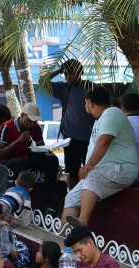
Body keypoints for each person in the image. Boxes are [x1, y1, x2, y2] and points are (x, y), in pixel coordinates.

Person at [61, 87, 139, 229]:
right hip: (105, 172)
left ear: (90, 103)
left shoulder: (112, 113)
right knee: (71, 198)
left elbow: (104, 141)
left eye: (85, 103)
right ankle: (63, 239)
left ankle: (82, 223)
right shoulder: (102, 118)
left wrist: (88, 165)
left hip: (123, 170)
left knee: (92, 175)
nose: (85, 106)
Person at [45, 59, 96, 187]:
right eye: (66, 74)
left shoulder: (91, 87)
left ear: (80, 72)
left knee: (91, 172)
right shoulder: (64, 88)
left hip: (90, 139)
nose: (68, 77)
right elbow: (43, 82)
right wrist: (59, 70)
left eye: (71, 74)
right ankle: (74, 198)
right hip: (70, 139)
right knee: (71, 174)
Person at [0, 102, 60, 187]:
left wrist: (49, 150)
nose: (32, 124)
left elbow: (42, 148)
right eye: (30, 120)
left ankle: (48, 190)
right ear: (21, 116)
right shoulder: (7, 126)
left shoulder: (35, 127)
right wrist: (19, 140)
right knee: (20, 162)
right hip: (8, 162)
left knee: (52, 159)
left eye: (35, 121)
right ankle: (21, 191)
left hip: (24, 158)